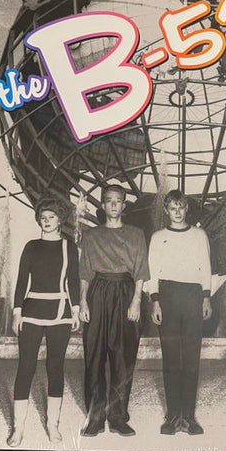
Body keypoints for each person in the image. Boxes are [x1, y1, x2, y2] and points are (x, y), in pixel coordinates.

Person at [8, 198, 80, 447]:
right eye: (43, 217)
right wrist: (17, 312)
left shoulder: (69, 246)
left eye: (51, 217)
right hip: (31, 311)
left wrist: (76, 310)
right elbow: (21, 280)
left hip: (60, 311)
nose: (46, 221)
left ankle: (53, 426)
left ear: (60, 220)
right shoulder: (31, 246)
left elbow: (73, 280)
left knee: (55, 366)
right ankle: (18, 428)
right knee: (26, 367)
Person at [79, 184, 148, 437]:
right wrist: (83, 301)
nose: (113, 204)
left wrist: (136, 300)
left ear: (124, 205)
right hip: (98, 292)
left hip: (125, 292)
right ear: (103, 205)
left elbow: (140, 271)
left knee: (123, 359)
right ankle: (95, 417)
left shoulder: (136, 234)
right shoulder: (91, 235)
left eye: (118, 200)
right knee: (94, 357)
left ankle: (118, 417)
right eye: (109, 200)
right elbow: (85, 272)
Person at [149, 190, 212, 435]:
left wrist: (206, 298)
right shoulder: (158, 237)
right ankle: (173, 415)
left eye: (181, 207)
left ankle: (189, 417)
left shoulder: (199, 235)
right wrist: (155, 301)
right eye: (173, 208)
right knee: (171, 359)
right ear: (166, 210)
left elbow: (205, 267)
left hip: (193, 296)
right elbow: (153, 271)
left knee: (192, 359)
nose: (177, 212)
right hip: (168, 296)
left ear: (187, 209)